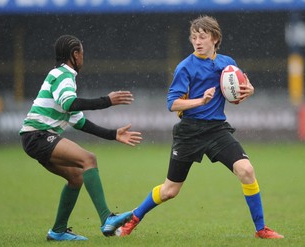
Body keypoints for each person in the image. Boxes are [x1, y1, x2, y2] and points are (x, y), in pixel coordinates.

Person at [117, 15, 283, 239]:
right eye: (194, 37)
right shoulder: (185, 67)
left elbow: (242, 85)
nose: (197, 41)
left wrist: (249, 90)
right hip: (189, 131)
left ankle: (261, 229)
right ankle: (133, 219)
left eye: (202, 37)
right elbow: (172, 103)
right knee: (170, 191)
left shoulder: (227, 63)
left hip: (217, 130)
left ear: (214, 38)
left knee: (246, 170)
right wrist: (200, 101)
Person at [19, 35, 142, 241]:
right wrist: (107, 101)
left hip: (36, 138)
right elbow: (69, 104)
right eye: (82, 54)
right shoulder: (63, 75)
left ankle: (57, 231)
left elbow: (79, 121)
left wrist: (113, 134)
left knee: (76, 177)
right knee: (88, 159)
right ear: (75, 55)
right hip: (38, 136)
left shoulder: (62, 78)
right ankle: (107, 219)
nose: (83, 58)